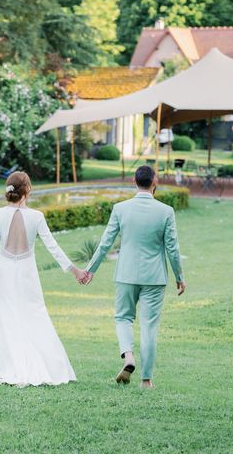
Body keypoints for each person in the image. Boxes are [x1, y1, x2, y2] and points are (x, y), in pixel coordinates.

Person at [0, 171, 87, 386]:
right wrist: (76, 271)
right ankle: (41, 364)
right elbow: (53, 247)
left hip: (3, 271)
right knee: (34, 314)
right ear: (28, 190)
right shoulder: (36, 216)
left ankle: (8, 362)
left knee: (5, 315)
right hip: (27, 271)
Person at [82, 165, 186, 388]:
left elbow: (105, 243)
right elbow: (172, 248)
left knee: (122, 318)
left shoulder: (120, 208)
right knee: (149, 326)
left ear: (134, 181)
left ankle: (128, 355)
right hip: (154, 277)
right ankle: (146, 380)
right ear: (154, 182)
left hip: (126, 274)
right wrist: (179, 276)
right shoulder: (166, 211)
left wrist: (91, 269)